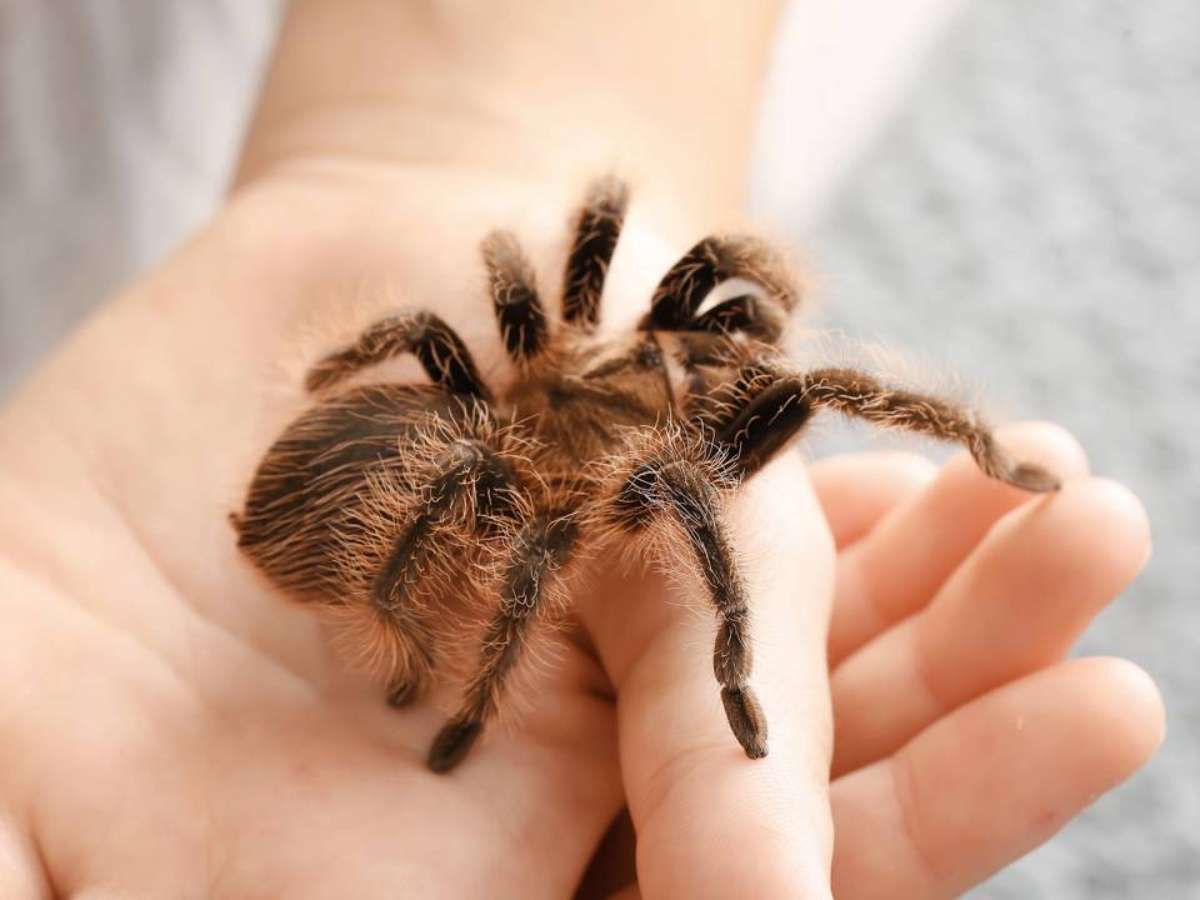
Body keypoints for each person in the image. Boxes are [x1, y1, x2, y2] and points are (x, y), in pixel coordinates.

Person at [0, 1, 1161, 896]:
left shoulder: (555, 342)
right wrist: (716, 639)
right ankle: (432, 662)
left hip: (450, 423)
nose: (694, 359)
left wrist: (444, 159)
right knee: (620, 473)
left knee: (658, 389)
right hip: (416, 491)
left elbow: (549, 251)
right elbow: (653, 470)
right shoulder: (623, 471)